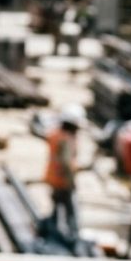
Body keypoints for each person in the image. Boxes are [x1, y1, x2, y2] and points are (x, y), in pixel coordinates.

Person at [43, 104, 84, 243]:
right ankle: (72, 238)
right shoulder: (66, 139)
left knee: (56, 207)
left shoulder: (56, 134)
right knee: (69, 210)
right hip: (63, 180)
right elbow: (67, 162)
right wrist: (73, 178)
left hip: (53, 178)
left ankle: (53, 231)